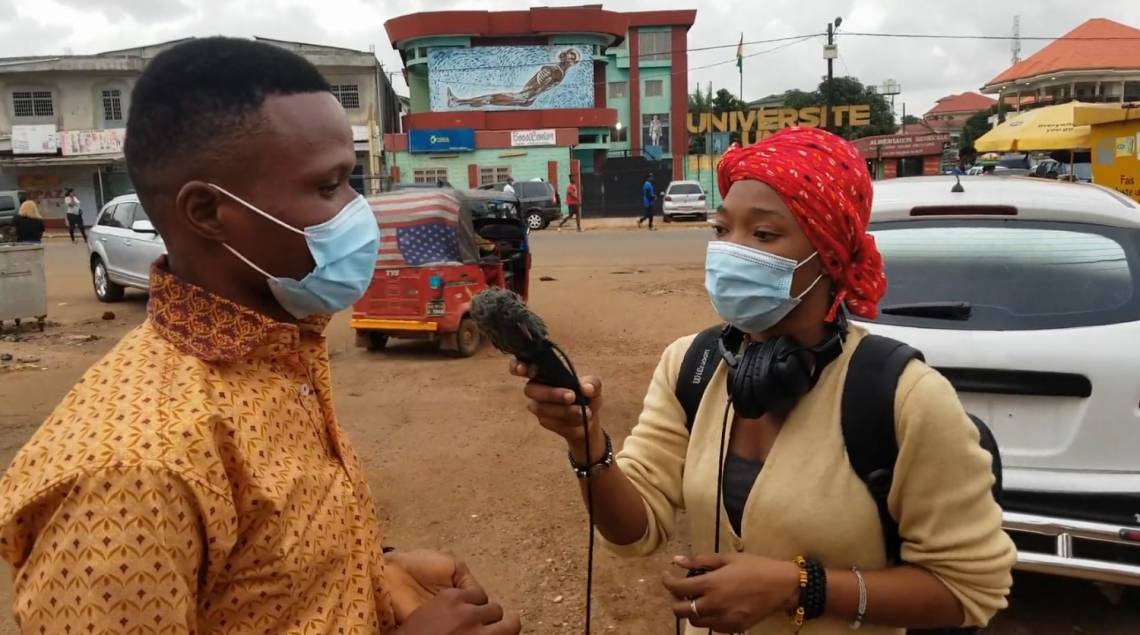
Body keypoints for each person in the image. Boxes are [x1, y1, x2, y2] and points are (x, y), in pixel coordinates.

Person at [0, 38, 520, 635]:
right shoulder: (131, 471)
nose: (360, 209)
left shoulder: (278, 350)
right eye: (328, 187)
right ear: (207, 212)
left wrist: (374, 569)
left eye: (351, 180)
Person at [511, 128, 1014, 634]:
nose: (732, 251)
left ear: (828, 254)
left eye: (764, 235)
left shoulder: (904, 395)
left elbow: (968, 590)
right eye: (721, 229)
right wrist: (586, 442)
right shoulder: (692, 365)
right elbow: (633, 532)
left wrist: (799, 587)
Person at [447, 48, 580, 109]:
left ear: (573, 62)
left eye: (572, 58)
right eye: (569, 55)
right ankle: (459, 102)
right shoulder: (557, 69)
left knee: (490, 99)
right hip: (525, 96)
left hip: (524, 96)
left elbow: (542, 87)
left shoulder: (557, 72)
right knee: (489, 101)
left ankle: (457, 102)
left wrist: (527, 96)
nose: (569, 58)